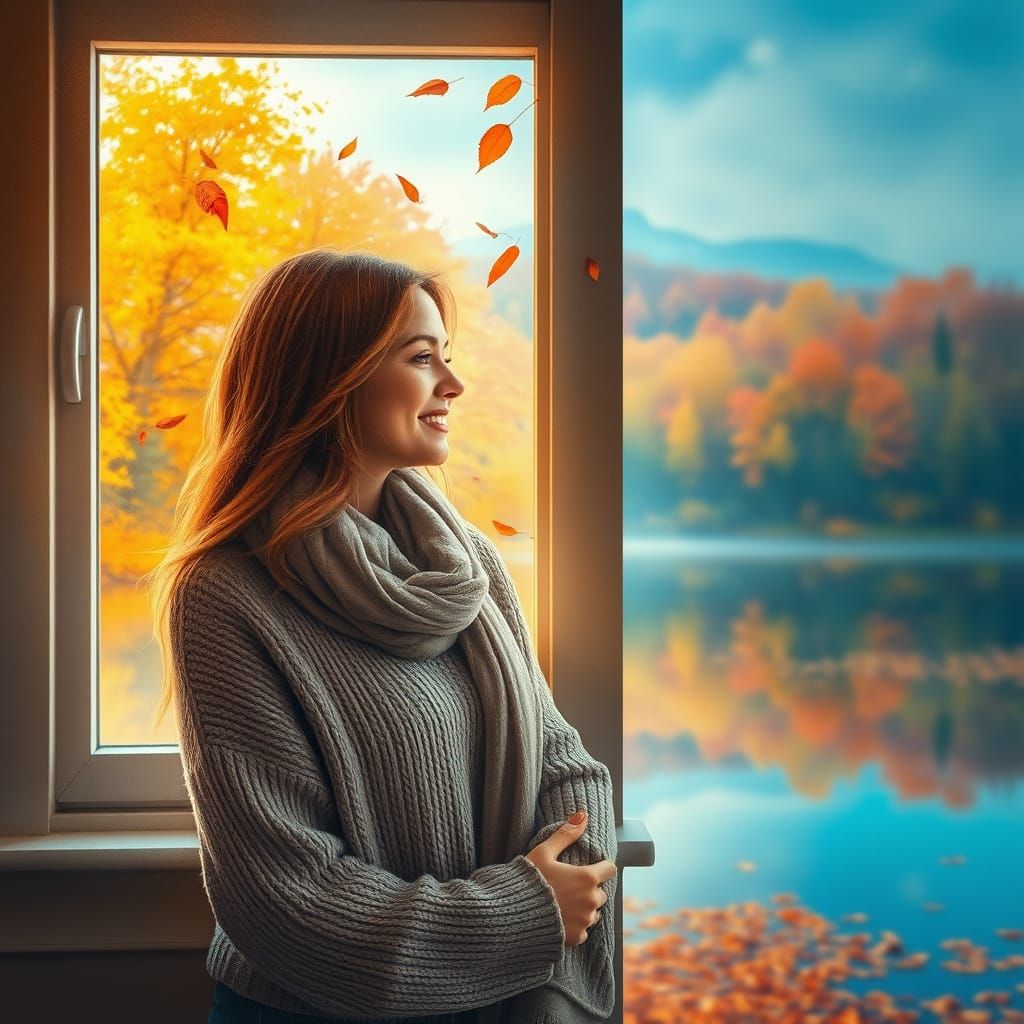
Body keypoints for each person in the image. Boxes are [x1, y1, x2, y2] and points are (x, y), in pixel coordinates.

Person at [143, 248, 618, 1023]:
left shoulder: (467, 564)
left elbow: (564, 764)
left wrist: (561, 902)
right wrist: (525, 913)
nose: (453, 386)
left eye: (448, 358)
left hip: (505, 997)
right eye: (422, 358)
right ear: (332, 378)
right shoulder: (225, 595)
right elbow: (285, 894)